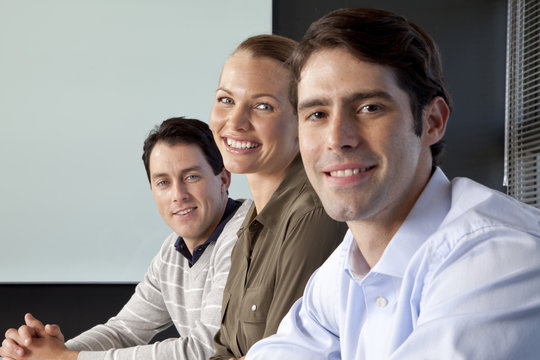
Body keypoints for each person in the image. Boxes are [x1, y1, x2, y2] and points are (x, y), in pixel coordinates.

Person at [245, 8, 540, 360]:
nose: (337, 138)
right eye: (317, 114)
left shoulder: (499, 256)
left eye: (370, 108)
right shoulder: (345, 265)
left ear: (432, 121)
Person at [0, 117, 252, 360]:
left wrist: (65, 358)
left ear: (223, 179)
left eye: (191, 177)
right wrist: (41, 353)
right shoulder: (173, 251)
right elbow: (123, 330)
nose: (178, 194)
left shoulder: (245, 234)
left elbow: (205, 349)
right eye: (163, 182)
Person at [208, 34, 347, 359]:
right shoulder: (251, 220)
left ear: (302, 121)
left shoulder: (313, 214)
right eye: (226, 100)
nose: (236, 122)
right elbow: (222, 350)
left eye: (262, 106)